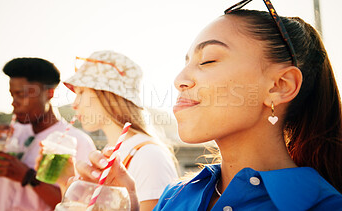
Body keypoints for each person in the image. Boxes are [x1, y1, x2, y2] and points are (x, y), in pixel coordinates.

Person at [76, 1, 342, 210]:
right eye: (186, 62)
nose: (179, 80)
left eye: (208, 60)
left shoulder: (325, 206)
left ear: (279, 85)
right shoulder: (173, 197)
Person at [0, 58, 96, 211]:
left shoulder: (77, 142)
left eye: (21, 95)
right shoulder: (7, 137)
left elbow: (80, 206)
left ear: (49, 93)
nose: (13, 103)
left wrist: (27, 176)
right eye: (12, 95)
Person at [63, 50, 179, 210]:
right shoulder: (111, 152)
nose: (74, 104)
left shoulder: (148, 155)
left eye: (81, 92)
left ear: (109, 94)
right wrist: (65, 183)